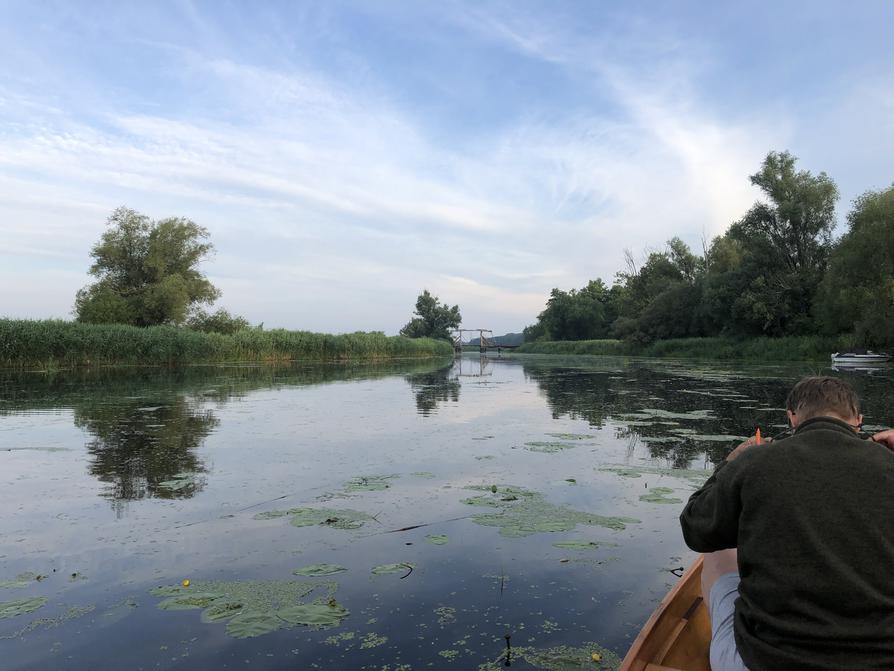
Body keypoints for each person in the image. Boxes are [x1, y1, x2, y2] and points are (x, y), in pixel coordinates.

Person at [679, 376, 894, 671]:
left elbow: (695, 529)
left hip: (764, 662)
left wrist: (729, 464)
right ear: (858, 419)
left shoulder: (754, 460)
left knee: (715, 554)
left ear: (791, 417)